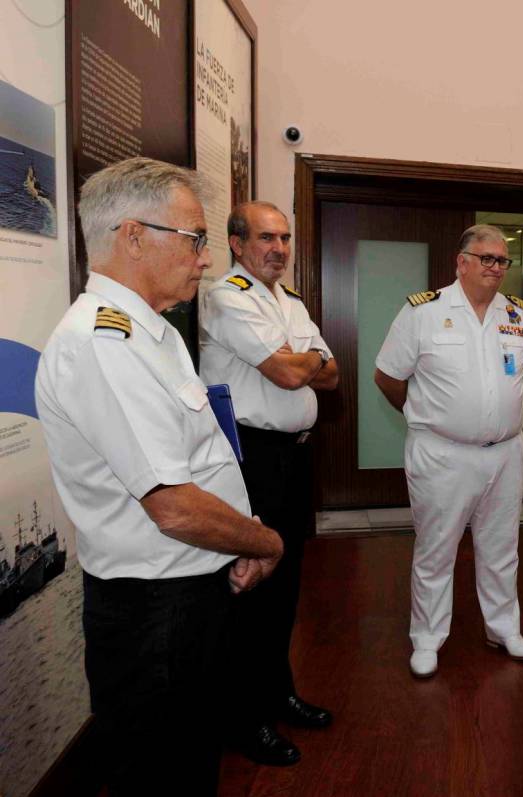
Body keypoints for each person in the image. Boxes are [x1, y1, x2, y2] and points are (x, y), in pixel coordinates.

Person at [35, 158, 283, 795]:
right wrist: (264, 541)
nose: (206, 258)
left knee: (190, 762)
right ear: (133, 236)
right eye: (196, 238)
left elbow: (195, 460)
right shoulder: (103, 342)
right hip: (154, 613)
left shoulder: (155, 333)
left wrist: (238, 535)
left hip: (186, 595)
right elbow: (172, 506)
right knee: (160, 772)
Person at [199, 201, 338, 765]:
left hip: (293, 459)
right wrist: (302, 358)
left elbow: (330, 374)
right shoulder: (226, 297)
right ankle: (243, 718)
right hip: (248, 460)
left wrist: (299, 359)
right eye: (265, 238)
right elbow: (290, 371)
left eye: (284, 238)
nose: (278, 248)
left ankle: (277, 693)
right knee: (250, 587)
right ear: (236, 243)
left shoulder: (289, 300)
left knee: (286, 587)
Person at [374, 223, 523, 678]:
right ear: (461, 262)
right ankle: (427, 638)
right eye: (486, 258)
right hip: (442, 454)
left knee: (502, 547)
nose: (495, 267)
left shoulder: (517, 315)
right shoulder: (422, 312)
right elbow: (388, 376)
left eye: (502, 260)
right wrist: (420, 416)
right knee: (436, 549)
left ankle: (504, 628)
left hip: (505, 453)